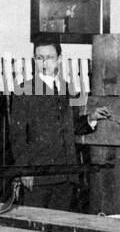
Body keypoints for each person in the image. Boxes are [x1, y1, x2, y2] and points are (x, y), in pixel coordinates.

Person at [8, 38, 111, 210]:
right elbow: (17, 137)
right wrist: (25, 171)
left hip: (66, 175)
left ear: (59, 59)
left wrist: (91, 118)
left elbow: (71, 127)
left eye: (49, 57)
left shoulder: (67, 88)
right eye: (39, 58)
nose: (44, 63)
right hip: (38, 176)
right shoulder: (24, 90)